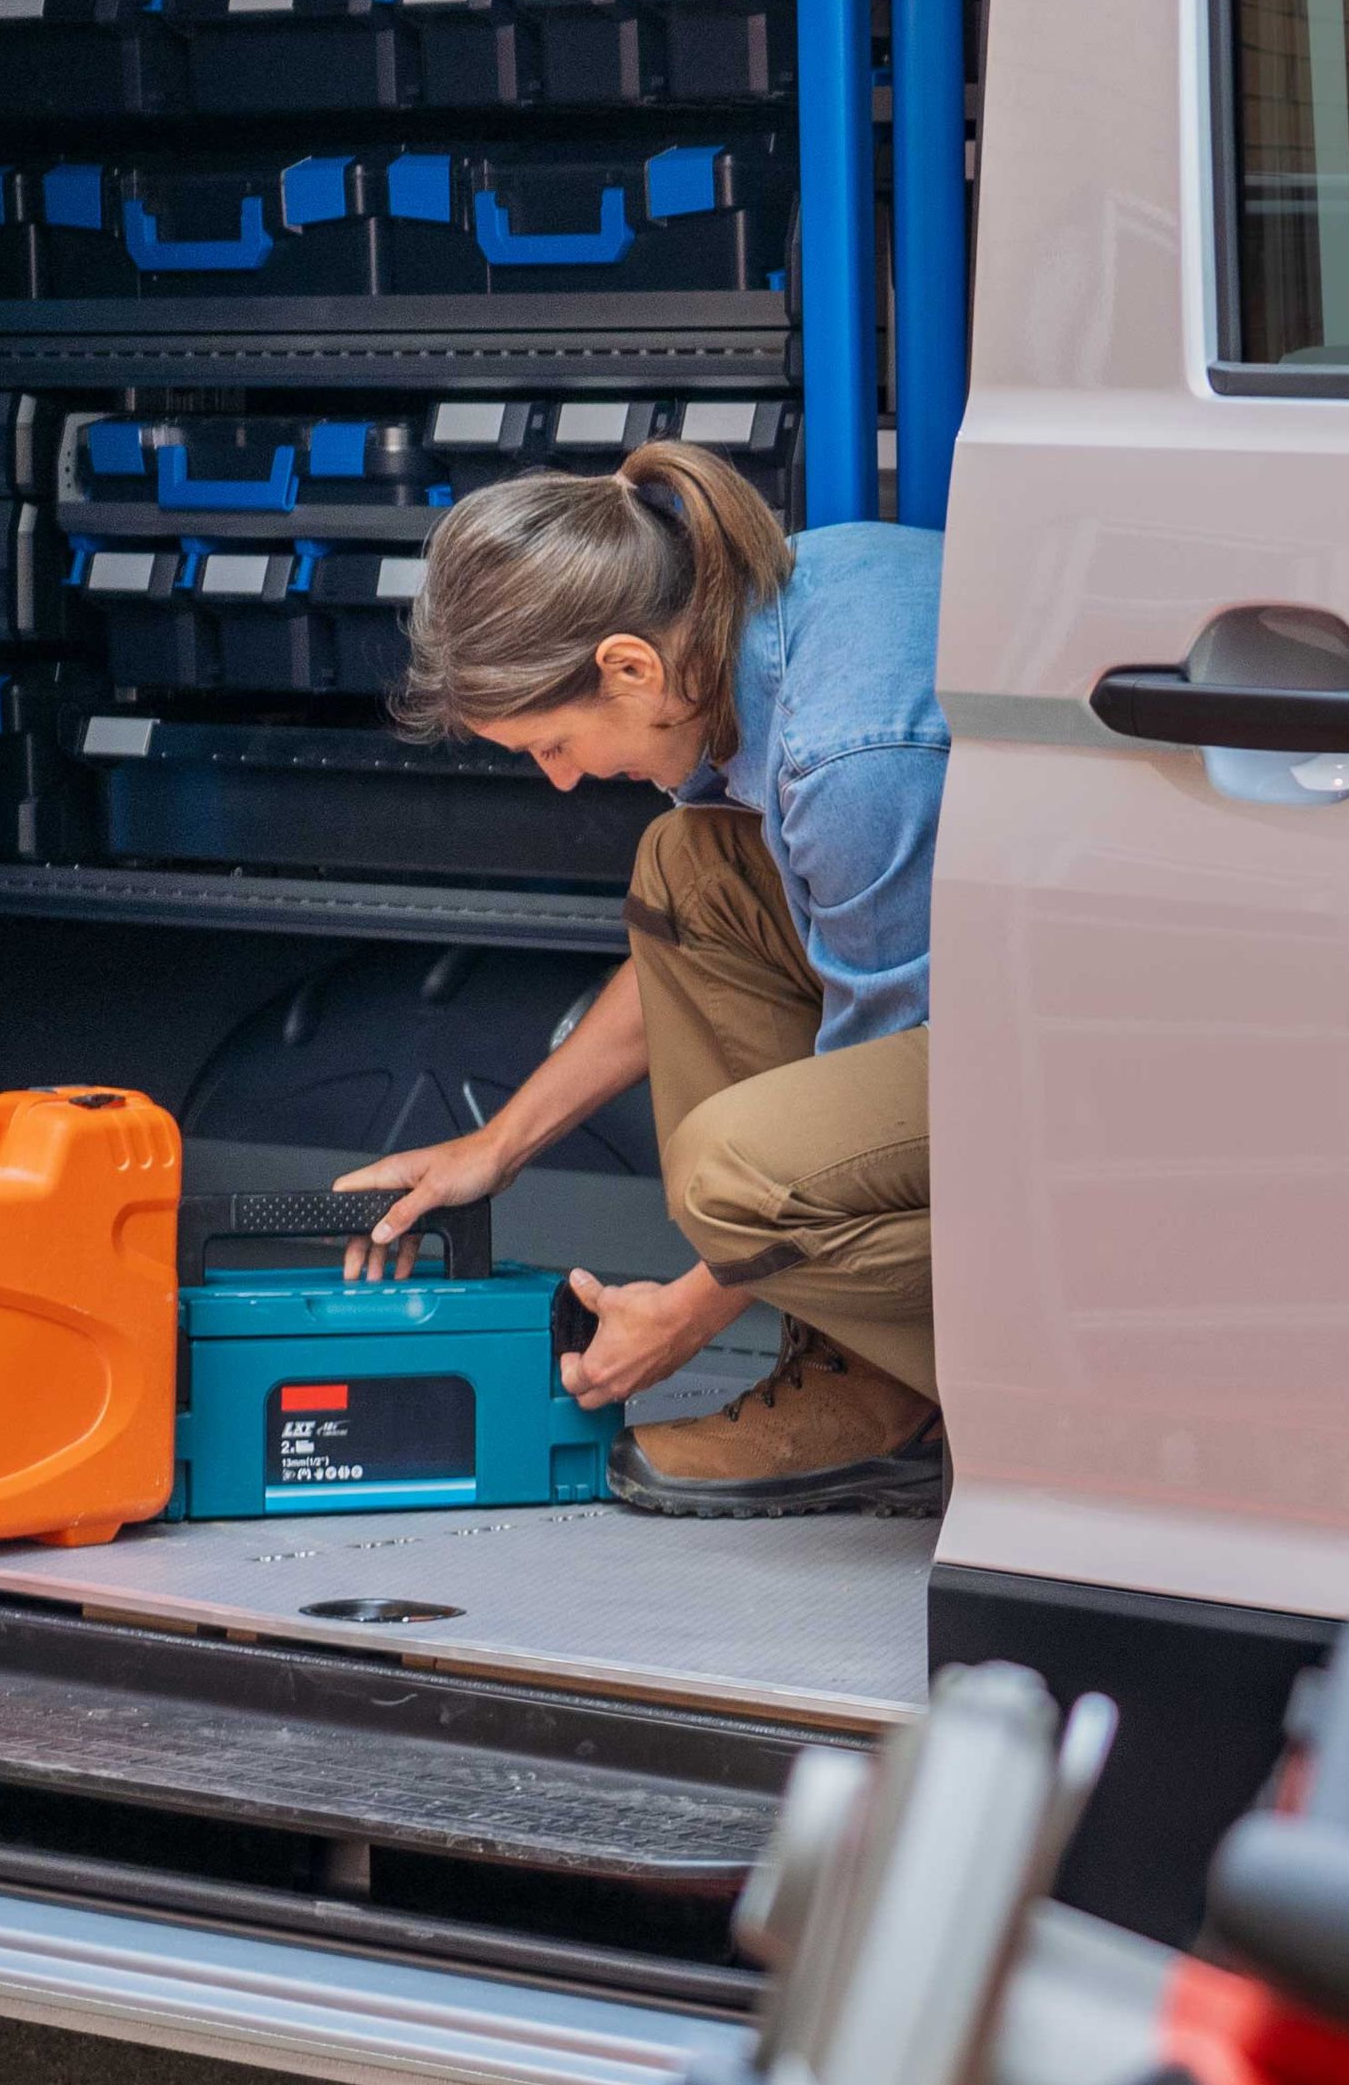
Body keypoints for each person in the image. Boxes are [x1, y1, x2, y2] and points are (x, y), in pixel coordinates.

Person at [336, 444, 946, 1518]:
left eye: (555, 742)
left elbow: (876, 1132)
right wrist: (500, 1144)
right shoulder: (761, 610)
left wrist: (687, 1313)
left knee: (733, 1175)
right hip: (1012, 1024)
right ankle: (868, 1378)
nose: (563, 778)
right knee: (690, 867)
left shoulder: (847, 763)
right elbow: (688, 949)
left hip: (1107, 1082)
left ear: (629, 668)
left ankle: (938, 1392)